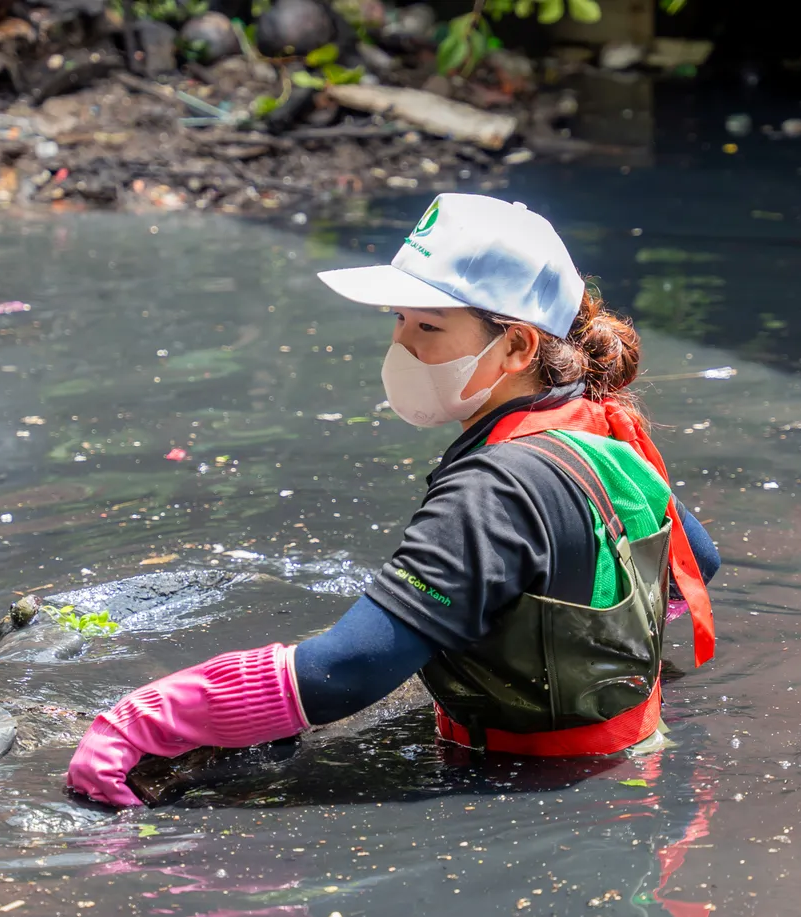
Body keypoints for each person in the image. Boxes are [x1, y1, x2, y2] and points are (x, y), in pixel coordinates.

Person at [67, 194, 719, 806]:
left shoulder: (494, 491)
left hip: (516, 793)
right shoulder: (598, 428)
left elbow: (348, 667)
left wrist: (140, 723)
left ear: (518, 345)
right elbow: (701, 560)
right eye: (399, 319)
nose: (401, 346)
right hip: (631, 765)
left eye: (429, 325)